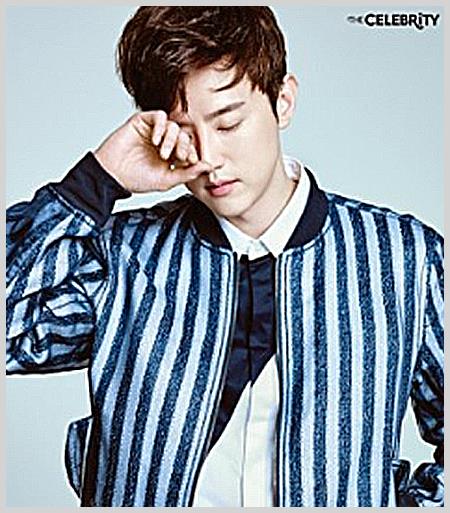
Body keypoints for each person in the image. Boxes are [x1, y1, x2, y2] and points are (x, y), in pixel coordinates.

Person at [6, 6, 443, 507]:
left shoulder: (403, 261)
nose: (207, 158)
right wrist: (97, 181)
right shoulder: (125, 258)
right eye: (183, 130)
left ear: (282, 102)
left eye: (228, 123)